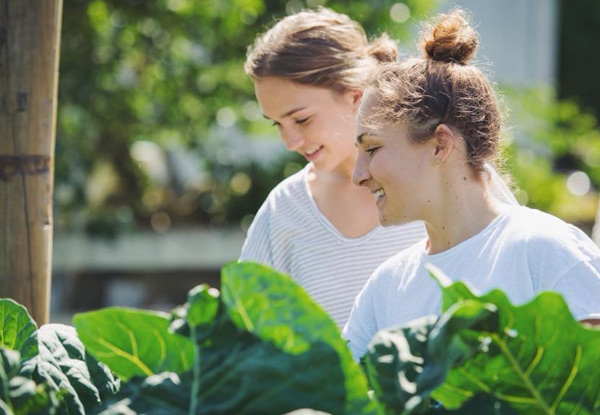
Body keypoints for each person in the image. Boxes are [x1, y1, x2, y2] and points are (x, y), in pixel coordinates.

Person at [343, 9, 600, 360]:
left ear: (440, 145)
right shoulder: (385, 288)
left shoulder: (545, 251)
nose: (358, 175)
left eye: (371, 148)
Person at [240, 8, 427, 329]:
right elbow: (244, 339)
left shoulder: (441, 175)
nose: (290, 141)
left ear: (355, 96)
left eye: (301, 119)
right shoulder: (283, 211)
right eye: (277, 124)